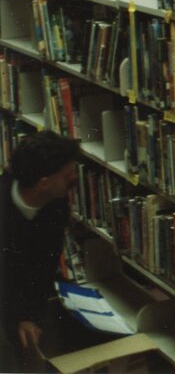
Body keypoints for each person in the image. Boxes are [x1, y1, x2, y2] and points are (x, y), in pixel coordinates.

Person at [1, 132, 81, 371]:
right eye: (67, 176)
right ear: (44, 183)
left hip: (26, 292)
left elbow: (45, 264)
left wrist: (29, 315)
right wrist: (17, 318)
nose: (74, 178)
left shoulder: (56, 205)